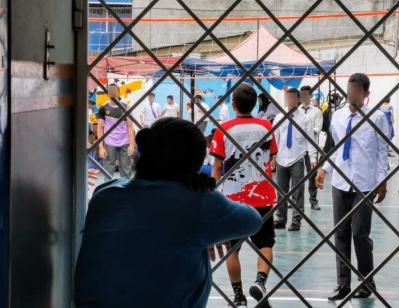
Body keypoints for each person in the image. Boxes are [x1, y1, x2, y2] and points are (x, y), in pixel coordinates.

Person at [75, 118, 262, 308]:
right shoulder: (198, 202)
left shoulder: (105, 194)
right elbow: (253, 220)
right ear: (195, 165)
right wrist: (208, 201)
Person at [315, 73, 389, 300]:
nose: (352, 95)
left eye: (357, 91)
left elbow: (383, 152)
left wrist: (382, 180)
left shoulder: (377, 118)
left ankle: (367, 281)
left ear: (366, 94)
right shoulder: (337, 116)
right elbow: (336, 148)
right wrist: (324, 168)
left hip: (364, 184)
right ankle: (343, 284)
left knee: (360, 234)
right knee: (341, 235)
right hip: (340, 182)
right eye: (349, 91)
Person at [210, 84, 278, 307]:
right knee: (266, 242)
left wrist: (212, 192)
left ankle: (238, 296)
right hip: (262, 195)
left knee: (232, 248)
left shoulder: (224, 129)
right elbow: (272, 157)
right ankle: (260, 281)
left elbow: (217, 166)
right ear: (255, 103)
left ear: (234, 104)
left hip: (232, 198)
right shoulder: (265, 126)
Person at [272, 88, 317, 231]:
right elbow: (275, 138)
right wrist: (273, 157)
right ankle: (280, 219)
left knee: (298, 192)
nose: (289, 100)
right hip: (281, 159)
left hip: (297, 158)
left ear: (298, 99)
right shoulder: (279, 118)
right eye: (287, 97)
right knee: (281, 191)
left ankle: (296, 221)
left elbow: (310, 140)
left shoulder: (304, 119)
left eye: (292, 97)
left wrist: (313, 157)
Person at [97, 84, 136, 178]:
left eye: (115, 90)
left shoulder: (126, 107)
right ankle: (108, 191)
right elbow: (100, 128)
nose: (113, 92)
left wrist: (132, 144)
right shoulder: (103, 108)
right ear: (107, 93)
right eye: (110, 90)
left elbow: (130, 127)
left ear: (119, 92)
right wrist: (101, 148)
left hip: (125, 142)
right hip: (109, 143)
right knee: (108, 171)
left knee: (126, 170)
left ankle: (125, 191)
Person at [299, 85, 323, 210]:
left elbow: (317, 130)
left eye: (305, 95)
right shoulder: (296, 111)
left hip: (311, 148)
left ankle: (313, 200)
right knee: (296, 176)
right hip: (298, 148)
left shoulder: (317, 112)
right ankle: (294, 201)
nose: (303, 97)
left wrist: (306, 129)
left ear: (310, 95)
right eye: (301, 94)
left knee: (312, 175)